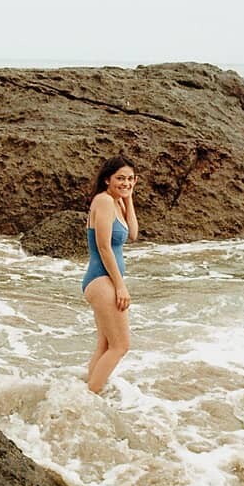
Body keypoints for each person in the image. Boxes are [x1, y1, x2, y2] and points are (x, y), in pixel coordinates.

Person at [81, 155, 139, 393]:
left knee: (105, 345)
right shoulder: (104, 201)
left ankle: (87, 391)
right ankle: (90, 396)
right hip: (101, 280)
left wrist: (129, 197)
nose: (126, 183)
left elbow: (133, 234)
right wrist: (120, 286)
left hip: (105, 281)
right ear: (107, 179)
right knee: (120, 346)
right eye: (120, 178)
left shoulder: (117, 201)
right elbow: (104, 247)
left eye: (130, 179)